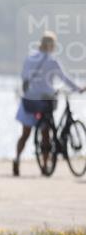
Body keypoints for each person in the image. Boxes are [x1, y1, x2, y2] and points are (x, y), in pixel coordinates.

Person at [14, 30, 84, 176]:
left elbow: (23, 77)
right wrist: (78, 89)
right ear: (52, 45)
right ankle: (45, 165)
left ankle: (17, 158)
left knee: (25, 134)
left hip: (29, 100)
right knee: (46, 134)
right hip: (45, 101)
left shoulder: (30, 58)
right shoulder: (52, 61)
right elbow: (64, 79)